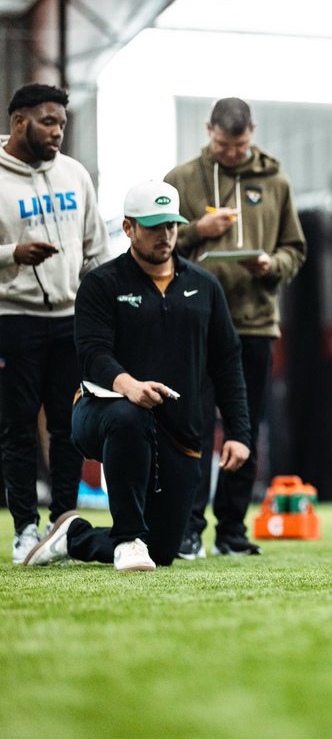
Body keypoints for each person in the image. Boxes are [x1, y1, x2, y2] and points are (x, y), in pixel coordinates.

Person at [21, 180, 250, 571]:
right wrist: (129, 386)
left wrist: (239, 434)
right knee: (130, 415)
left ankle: (73, 536)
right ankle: (127, 537)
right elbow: (92, 354)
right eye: (154, 226)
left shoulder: (205, 286)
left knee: (161, 553)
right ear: (128, 228)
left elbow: (227, 364)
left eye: (172, 226)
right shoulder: (101, 284)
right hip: (100, 412)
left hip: (178, 434)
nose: (165, 235)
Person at [165, 97, 307, 558]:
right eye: (223, 145)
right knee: (193, 425)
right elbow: (156, 243)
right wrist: (195, 232)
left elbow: (295, 249)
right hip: (195, 322)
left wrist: (273, 264)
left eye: (239, 145)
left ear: (253, 133)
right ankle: (187, 528)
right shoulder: (181, 180)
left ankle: (232, 530)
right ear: (208, 131)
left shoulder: (277, 182)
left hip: (255, 322)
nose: (231, 153)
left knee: (244, 427)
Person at [0, 83, 109, 565]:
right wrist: (12, 255)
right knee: (19, 429)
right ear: (20, 121)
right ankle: (25, 527)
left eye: (62, 123)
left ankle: (63, 521)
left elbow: (96, 251)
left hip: (69, 321)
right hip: (14, 319)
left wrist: (97, 306)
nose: (58, 132)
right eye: (48, 121)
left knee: (70, 427)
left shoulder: (75, 175)